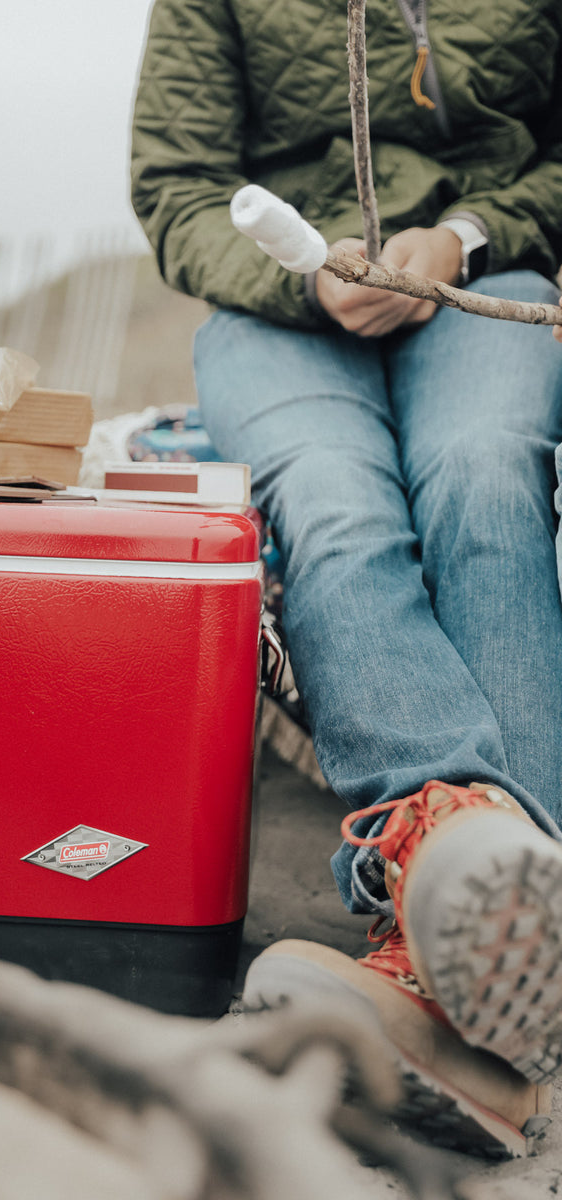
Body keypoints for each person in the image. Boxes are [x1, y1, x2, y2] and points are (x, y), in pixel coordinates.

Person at [131, 0, 562, 1158]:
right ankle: (455, 872)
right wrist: (307, 280)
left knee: (484, 479)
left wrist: (461, 237)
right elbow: (175, 187)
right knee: (326, 497)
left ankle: (447, 970)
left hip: (483, 280)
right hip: (278, 307)